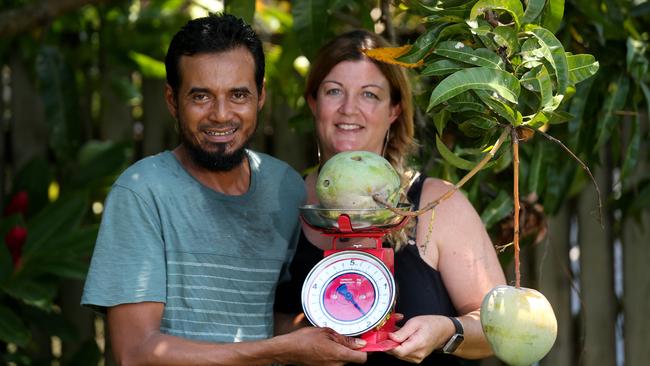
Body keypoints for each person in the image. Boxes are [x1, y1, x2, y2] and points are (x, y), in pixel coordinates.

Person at [81, 13, 367, 366]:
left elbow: (273, 318)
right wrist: (277, 350)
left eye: (238, 95)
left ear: (261, 95)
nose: (220, 114)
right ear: (172, 100)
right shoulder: (142, 192)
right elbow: (136, 353)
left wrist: (355, 323)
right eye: (201, 96)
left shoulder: (285, 187)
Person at [274, 29, 506, 365]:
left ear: (394, 109)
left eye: (369, 95)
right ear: (313, 102)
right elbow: (254, 320)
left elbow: (495, 326)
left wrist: (447, 331)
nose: (349, 109)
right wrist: (293, 339)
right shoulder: (282, 202)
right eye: (334, 91)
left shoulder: (438, 204)